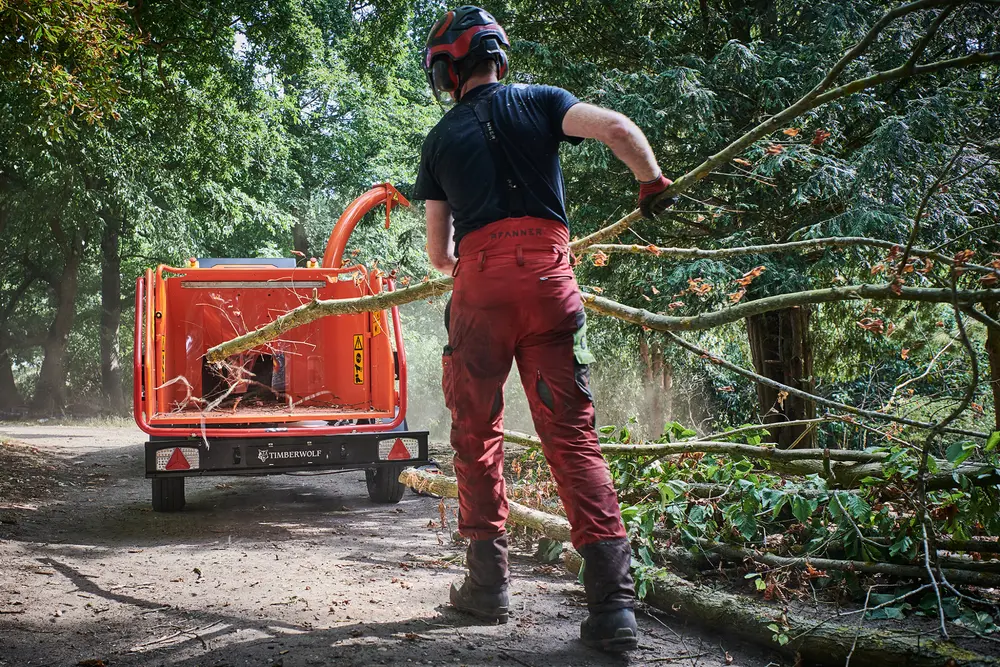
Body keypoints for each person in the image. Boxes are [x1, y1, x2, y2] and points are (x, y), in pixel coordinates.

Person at [412, 5, 675, 653]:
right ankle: (613, 606)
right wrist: (651, 183)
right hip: (552, 287)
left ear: (448, 68)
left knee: (476, 433)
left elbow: (438, 256)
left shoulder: (440, 139)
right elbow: (616, 127)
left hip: (479, 291)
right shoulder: (543, 101)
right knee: (572, 437)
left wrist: (483, 257)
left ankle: (487, 585)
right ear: (498, 54)